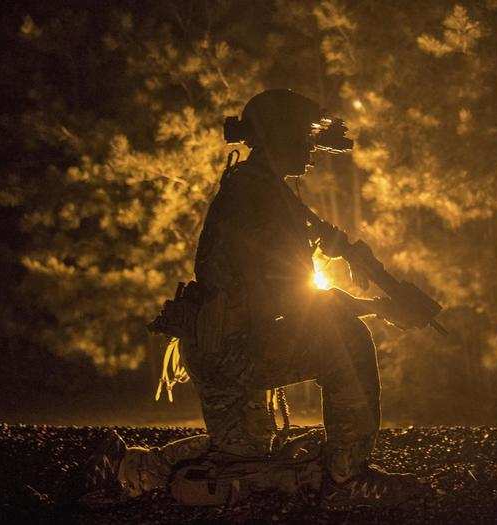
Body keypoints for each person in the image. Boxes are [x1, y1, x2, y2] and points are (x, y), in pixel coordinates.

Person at [64, 89, 429, 509]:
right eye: (302, 139)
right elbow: (290, 298)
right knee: (346, 338)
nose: (311, 153)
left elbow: (303, 275)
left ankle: (128, 467)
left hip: (226, 347)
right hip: (232, 351)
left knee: (246, 460)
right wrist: (380, 309)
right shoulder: (255, 201)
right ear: (277, 139)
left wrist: (383, 299)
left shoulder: (261, 193)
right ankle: (347, 478)